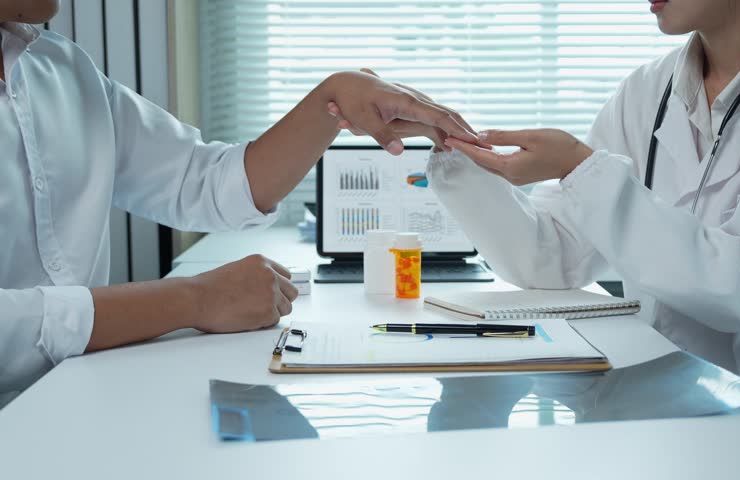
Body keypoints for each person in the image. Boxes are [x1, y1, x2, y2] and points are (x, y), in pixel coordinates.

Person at [332, 0, 740, 446]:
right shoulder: (648, 91)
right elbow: (552, 258)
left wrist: (580, 168)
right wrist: (453, 147)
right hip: (660, 417)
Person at [0, 0, 482, 408]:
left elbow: (201, 183)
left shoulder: (62, 69)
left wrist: (333, 99)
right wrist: (193, 299)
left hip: (71, 397)